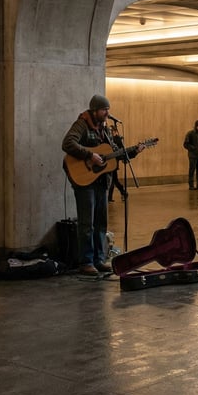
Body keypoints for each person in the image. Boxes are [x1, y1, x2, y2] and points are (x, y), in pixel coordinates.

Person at [62, 94, 143, 276]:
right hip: (85, 181)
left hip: (101, 182)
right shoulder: (82, 124)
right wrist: (89, 155)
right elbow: (67, 143)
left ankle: (99, 259)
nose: (107, 113)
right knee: (87, 223)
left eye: (108, 109)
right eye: (104, 110)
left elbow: (113, 154)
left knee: (101, 222)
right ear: (94, 110)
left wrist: (134, 151)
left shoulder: (105, 129)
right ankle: (86, 262)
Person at [106, 123, 129, 203]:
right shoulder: (111, 139)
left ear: (115, 131)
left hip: (114, 162)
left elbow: (120, 150)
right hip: (111, 161)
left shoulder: (118, 139)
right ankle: (122, 193)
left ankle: (111, 197)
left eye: (111, 131)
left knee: (113, 180)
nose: (110, 132)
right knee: (114, 180)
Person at [182, 120, 198, 190]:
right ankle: (191, 185)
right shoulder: (190, 134)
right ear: (196, 126)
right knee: (192, 170)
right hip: (192, 156)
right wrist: (192, 148)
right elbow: (185, 144)